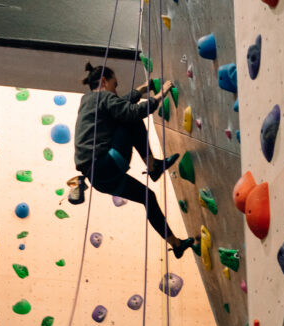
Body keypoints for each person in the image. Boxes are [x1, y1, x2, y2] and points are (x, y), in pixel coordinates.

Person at [73, 61, 198, 259]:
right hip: (106, 164)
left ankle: (176, 244)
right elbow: (129, 110)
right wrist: (160, 95)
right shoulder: (103, 97)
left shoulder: (87, 102)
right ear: (104, 81)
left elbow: (119, 104)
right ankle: (153, 166)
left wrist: (142, 89)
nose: (115, 90)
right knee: (131, 119)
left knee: (148, 197)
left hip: (99, 179)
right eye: (114, 85)